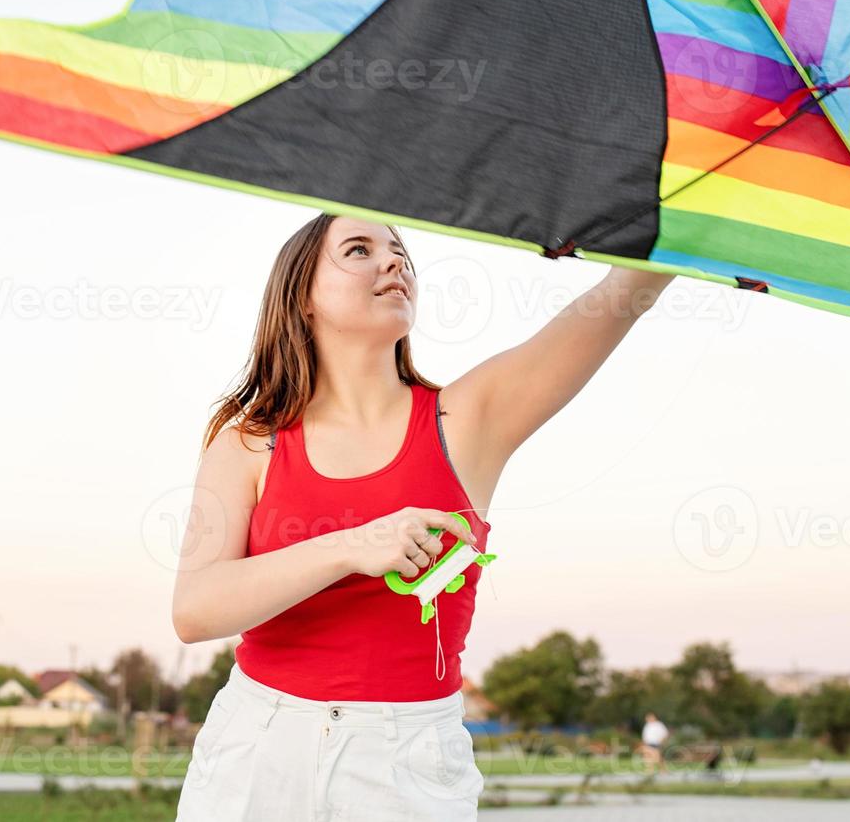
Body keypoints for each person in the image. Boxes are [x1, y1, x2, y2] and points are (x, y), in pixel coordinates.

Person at [172, 213, 674, 821]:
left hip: (405, 761)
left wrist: (688, 214)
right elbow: (195, 610)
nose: (394, 262)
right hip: (257, 747)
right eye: (359, 250)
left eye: (400, 251)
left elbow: (625, 293)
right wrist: (351, 547)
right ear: (303, 297)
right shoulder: (249, 444)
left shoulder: (467, 421)